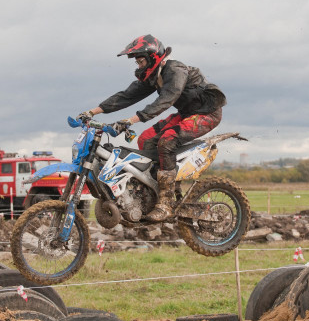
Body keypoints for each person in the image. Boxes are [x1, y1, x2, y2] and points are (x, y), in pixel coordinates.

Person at [77, 34, 226, 222]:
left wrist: (130, 121)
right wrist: (92, 112)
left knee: (168, 139)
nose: (138, 66)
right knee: (145, 139)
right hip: (186, 114)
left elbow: (167, 99)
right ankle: (149, 191)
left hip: (207, 113)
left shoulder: (175, 70)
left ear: (153, 57)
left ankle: (166, 201)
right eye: (137, 62)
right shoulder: (155, 77)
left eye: (140, 61)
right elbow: (126, 96)